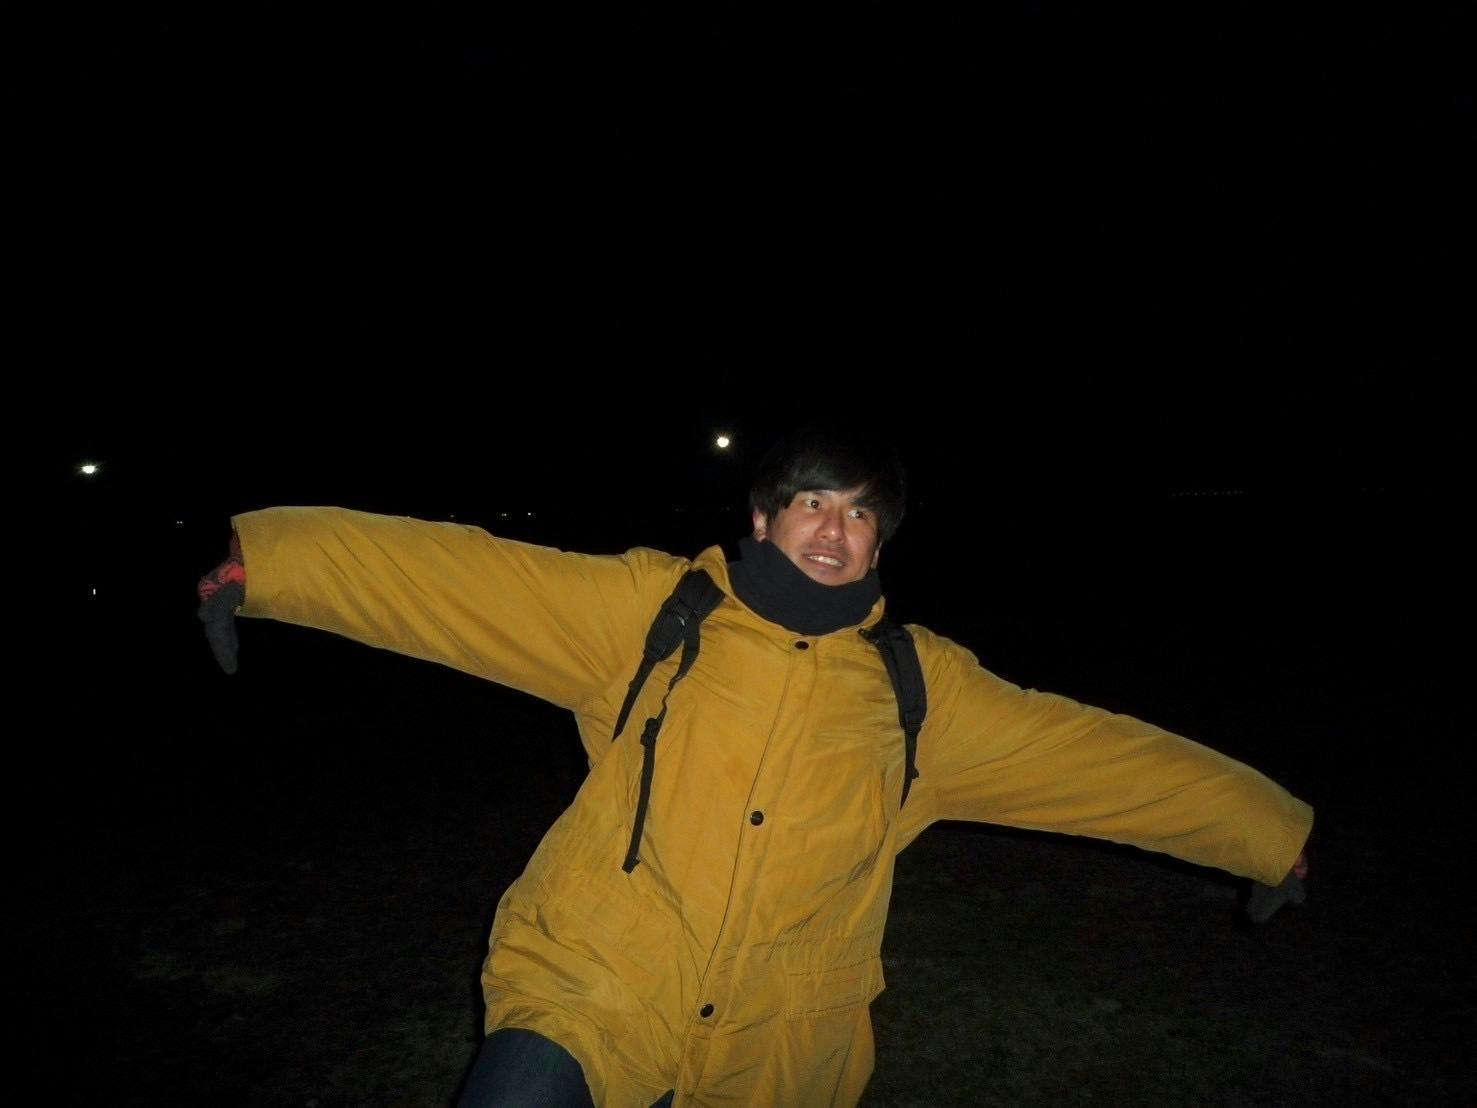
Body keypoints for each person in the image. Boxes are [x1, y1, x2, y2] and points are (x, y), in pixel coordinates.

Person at [197, 428, 1310, 1107]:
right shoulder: (655, 613)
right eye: (813, 501)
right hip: (596, 983)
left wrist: (1266, 833)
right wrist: (273, 560)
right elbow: (465, 580)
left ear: (880, 542)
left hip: (785, 1044)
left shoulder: (920, 687)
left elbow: (1097, 757)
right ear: (765, 516)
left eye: (860, 513)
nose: (833, 529)